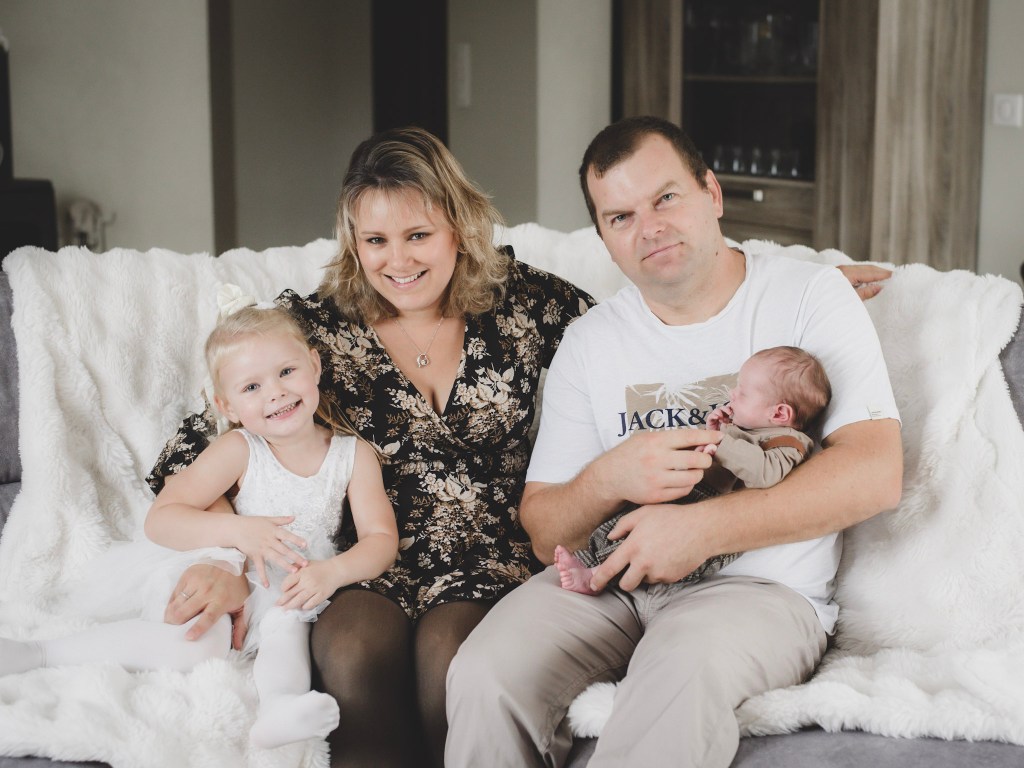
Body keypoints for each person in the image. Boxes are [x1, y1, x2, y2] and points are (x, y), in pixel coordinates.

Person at [147, 127, 889, 768]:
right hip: (370, 556)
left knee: (455, 661)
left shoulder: (533, 306)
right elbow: (211, 442)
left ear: (459, 228)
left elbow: (679, 298)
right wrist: (224, 561)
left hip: (495, 558)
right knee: (358, 653)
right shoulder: (310, 329)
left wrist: (806, 290)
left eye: (418, 235)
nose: (397, 260)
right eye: (374, 240)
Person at [445, 116, 903, 768]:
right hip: (609, 583)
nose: (649, 227)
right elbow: (543, 522)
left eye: (665, 198)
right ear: (604, 239)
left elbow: (875, 472)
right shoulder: (592, 341)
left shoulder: (810, 297)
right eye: (621, 217)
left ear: (711, 194)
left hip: (755, 593)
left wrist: (702, 530)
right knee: (484, 674)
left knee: (674, 685)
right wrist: (609, 478)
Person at [0, 303, 398, 751]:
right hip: (226, 562)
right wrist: (240, 533)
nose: (276, 393)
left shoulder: (352, 455)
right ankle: (40, 653)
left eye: (287, 371)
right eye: (252, 386)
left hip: (296, 576)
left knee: (288, 623)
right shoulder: (239, 448)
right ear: (226, 404)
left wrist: (335, 572)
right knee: (196, 643)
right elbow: (163, 518)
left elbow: (381, 539)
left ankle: (279, 707)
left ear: (315, 364)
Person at [555, 345, 831, 596]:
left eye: (742, 393)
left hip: (712, 526)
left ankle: (594, 579)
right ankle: (587, 559)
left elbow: (765, 473)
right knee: (622, 524)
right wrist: (717, 431)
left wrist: (724, 440)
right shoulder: (751, 429)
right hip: (693, 497)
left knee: (646, 547)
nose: (731, 394)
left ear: (779, 414)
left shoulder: (790, 443)